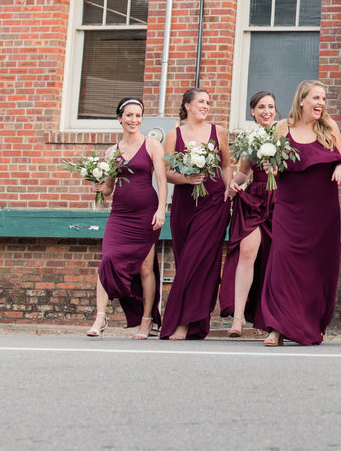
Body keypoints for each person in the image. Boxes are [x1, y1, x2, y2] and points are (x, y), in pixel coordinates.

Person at [257, 80, 341, 347]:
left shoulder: (329, 127)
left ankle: (312, 322)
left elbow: (340, 159)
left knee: (317, 268)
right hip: (290, 205)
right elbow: (272, 163)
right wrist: (270, 168)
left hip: (322, 208)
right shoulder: (281, 128)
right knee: (282, 261)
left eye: (323, 99)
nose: (320, 103)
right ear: (302, 100)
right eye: (316, 98)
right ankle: (277, 327)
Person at [89, 97, 168, 339]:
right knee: (108, 260)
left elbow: (162, 180)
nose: (134, 120)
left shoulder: (152, 145)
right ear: (119, 119)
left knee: (145, 267)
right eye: (129, 115)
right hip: (120, 215)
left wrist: (160, 210)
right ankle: (100, 318)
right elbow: (109, 189)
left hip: (146, 213)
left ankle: (146, 321)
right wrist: (98, 183)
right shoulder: (112, 151)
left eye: (138, 116)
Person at [159, 87, 233, 340]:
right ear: (187, 106)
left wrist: (228, 194)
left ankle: (181, 321)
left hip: (214, 203)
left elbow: (226, 165)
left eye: (208, 102)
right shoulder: (174, 134)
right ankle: (197, 323)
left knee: (198, 260)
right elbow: (165, 172)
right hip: (185, 204)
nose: (205, 106)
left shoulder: (218, 131)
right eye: (200, 101)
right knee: (186, 261)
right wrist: (186, 178)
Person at [220, 91, 279, 338]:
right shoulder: (249, 138)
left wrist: (277, 169)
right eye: (261, 107)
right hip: (254, 198)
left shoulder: (283, 135)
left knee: (276, 259)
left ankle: (272, 316)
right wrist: (233, 184)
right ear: (252, 112)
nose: (267, 111)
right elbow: (244, 172)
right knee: (247, 252)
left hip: (279, 199)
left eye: (271, 106)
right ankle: (238, 317)